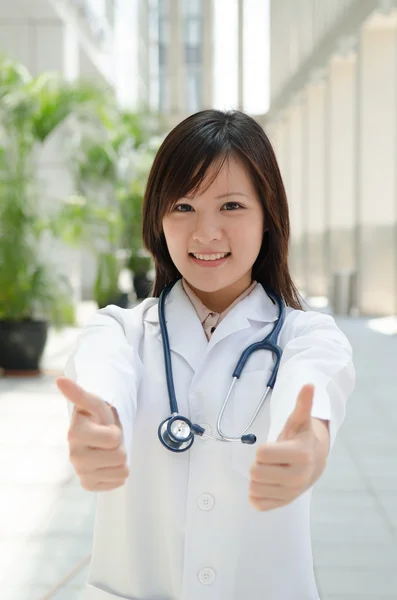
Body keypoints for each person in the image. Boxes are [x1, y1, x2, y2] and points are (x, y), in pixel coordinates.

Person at [57, 109, 355, 600]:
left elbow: (311, 396)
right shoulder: (120, 331)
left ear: (268, 217)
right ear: (158, 220)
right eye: (183, 207)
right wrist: (98, 425)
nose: (206, 233)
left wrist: (309, 448)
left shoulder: (308, 337)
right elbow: (102, 379)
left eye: (232, 206)